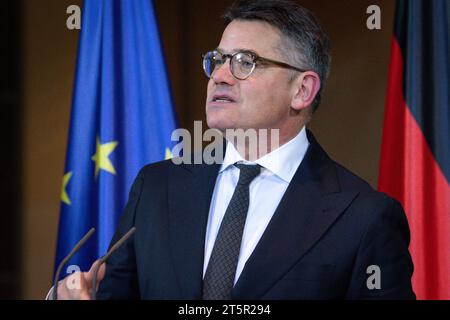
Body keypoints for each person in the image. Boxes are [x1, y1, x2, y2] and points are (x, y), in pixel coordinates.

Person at [54, 0, 415, 299]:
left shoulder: (364, 218)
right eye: (218, 60)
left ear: (302, 90)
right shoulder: (155, 188)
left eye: (245, 62)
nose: (220, 76)